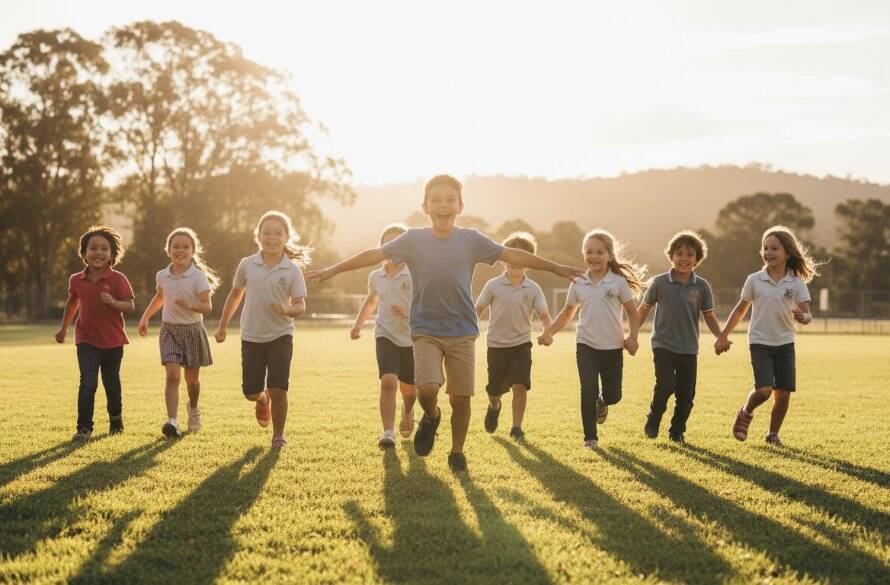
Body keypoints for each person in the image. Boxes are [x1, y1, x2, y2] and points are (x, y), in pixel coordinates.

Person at [308, 175, 584, 472]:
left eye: (450, 200)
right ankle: (431, 416)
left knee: (461, 398)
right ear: (425, 206)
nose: (444, 205)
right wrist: (335, 269)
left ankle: (456, 451)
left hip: (463, 330)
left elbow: (511, 253)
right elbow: (375, 254)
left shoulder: (471, 240)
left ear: (460, 205)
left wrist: (555, 267)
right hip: (425, 329)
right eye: (437, 200)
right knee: (426, 389)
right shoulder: (413, 240)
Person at [538, 229, 643, 450]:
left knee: (614, 395)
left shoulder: (618, 282)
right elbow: (568, 313)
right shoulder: (578, 282)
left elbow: (633, 313)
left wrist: (632, 337)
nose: (593, 256)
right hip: (585, 344)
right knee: (587, 390)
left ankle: (603, 402)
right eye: (589, 252)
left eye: (599, 252)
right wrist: (549, 332)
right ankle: (590, 438)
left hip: (613, 346)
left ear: (609, 255)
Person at [215, 211, 308, 449]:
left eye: (278, 233)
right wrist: (223, 325)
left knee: (279, 388)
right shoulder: (247, 265)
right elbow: (235, 295)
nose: (272, 238)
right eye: (266, 232)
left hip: (281, 335)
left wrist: (288, 310)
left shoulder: (292, 270)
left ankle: (278, 435)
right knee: (250, 391)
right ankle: (261, 398)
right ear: (258, 236)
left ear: (286, 237)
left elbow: (300, 306)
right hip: (251, 335)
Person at [718, 225, 818, 446]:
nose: (768, 252)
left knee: (783, 395)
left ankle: (773, 434)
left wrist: (804, 317)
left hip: (785, 344)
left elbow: (808, 314)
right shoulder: (754, 280)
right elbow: (740, 309)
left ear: (787, 253)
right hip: (760, 343)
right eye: (765, 248)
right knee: (763, 391)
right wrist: (723, 335)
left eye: (774, 248)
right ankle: (746, 412)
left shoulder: (796, 283)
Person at [633, 230, 724, 444]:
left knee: (686, 396)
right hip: (662, 344)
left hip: (689, 348)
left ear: (697, 259)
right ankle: (653, 417)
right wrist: (633, 335)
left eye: (690, 254)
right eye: (680, 253)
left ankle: (676, 431)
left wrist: (720, 336)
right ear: (671, 256)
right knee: (664, 385)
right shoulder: (659, 282)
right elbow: (643, 310)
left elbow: (709, 315)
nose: (684, 258)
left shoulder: (702, 286)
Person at [55, 226, 135, 441]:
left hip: (113, 341)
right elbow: (72, 302)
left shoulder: (118, 279)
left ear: (112, 255)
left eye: (104, 248)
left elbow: (129, 306)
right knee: (88, 382)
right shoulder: (76, 280)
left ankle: (116, 418)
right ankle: (84, 428)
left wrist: (114, 302)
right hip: (86, 339)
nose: (98, 252)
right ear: (84, 253)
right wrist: (64, 329)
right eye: (93, 248)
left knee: (111, 383)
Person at [138, 227, 219, 438]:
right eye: (176, 246)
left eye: (185, 247)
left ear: (193, 251)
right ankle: (172, 421)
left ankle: (193, 408)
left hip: (193, 331)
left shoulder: (198, 277)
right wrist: (146, 317)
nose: (180, 250)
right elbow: (160, 297)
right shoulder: (162, 275)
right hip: (170, 331)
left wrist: (190, 305)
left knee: (192, 381)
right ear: (168, 250)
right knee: (173, 376)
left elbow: (207, 307)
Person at [475, 231, 552, 441]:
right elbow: (478, 308)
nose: (516, 263)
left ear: (530, 262)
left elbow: (544, 314)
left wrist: (548, 330)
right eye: (511, 257)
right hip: (496, 345)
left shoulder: (533, 289)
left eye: (522, 258)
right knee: (494, 390)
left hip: (521, 344)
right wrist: (471, 326)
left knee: (520, 385)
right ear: (502, 259)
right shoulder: (493, 285)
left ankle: (516, 427)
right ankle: (494, 406)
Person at [350, 223, 418, 448]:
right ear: (382, 248)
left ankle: (408, 410)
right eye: (389, 243)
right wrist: (358, 324)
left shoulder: (417, 273)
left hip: (414, 338)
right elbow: (371, 301)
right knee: (388, 381)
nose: (394, 248)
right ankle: (388, 432)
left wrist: (408, 314)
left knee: (409, 391)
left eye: (399, 242)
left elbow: (427, 303)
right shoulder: (376, 276)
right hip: (385, 334)